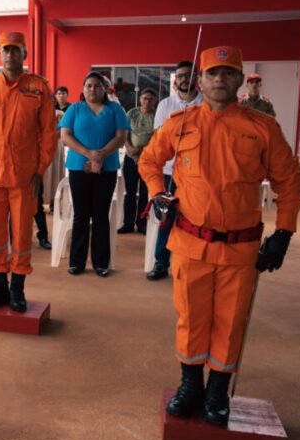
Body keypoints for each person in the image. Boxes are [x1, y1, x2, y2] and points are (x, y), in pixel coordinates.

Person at [139, 45, 300, 427]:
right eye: (212, 73)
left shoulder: (261, 129)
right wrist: (156, 193)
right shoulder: (180, 123)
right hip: (189, 242)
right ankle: (190, 385)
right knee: (191, 318)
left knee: (230, 322)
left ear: (240, 80)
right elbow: (149, 160)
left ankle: (217, 391)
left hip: (240, 247)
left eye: (228, 73)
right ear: (200, 80)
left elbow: (290, 182)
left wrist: (284, 233)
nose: (219, 80)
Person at [0, 32, 58, 312]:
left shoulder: (38, 88)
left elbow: (49, 134)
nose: (10, 55)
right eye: (6, 50)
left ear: (24, 55)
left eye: (15, 50)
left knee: (21, 235)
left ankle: (17, 288)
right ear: (0, 54)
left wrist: (40, 170)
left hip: (24, 178)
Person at [59, 72, 130, 276]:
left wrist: (101, 156)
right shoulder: (75, 109)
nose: (93, 89)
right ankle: (77, 262)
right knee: (81, 214)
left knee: (100, 214)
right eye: (89, 86)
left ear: (105, 89)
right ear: (83, 89)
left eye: (97, 86)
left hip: (106, 169)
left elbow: (121, 136)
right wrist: (89, 154)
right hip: (78, 167)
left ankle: (101, 262)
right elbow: (65, 135)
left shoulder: (115, 109)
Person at [147, 60, 203, 280]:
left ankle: (193, 264)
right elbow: (160, 138)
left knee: (197, 219)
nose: (183, 79)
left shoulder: (207, 103)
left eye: (188, 75)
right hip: (170, 172)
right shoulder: (165, 105)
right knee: (166, 219)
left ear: (197, 78)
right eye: (179, 76)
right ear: (175, 80)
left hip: (198, 173)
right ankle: (161, 263)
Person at [119, 88, 157, 234]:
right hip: (130, 158)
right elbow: (124, 133)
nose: (147, 101)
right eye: (144, 98)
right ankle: (127, 223)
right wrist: (130, 148)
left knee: (144, 193)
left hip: (148, 160)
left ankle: (142, 223)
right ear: (140, 99)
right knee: (130, 192)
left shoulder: (156, 115)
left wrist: (140, 151)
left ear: (154, 101)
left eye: (150, 99)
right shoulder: (132, 113)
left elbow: (157, 137)